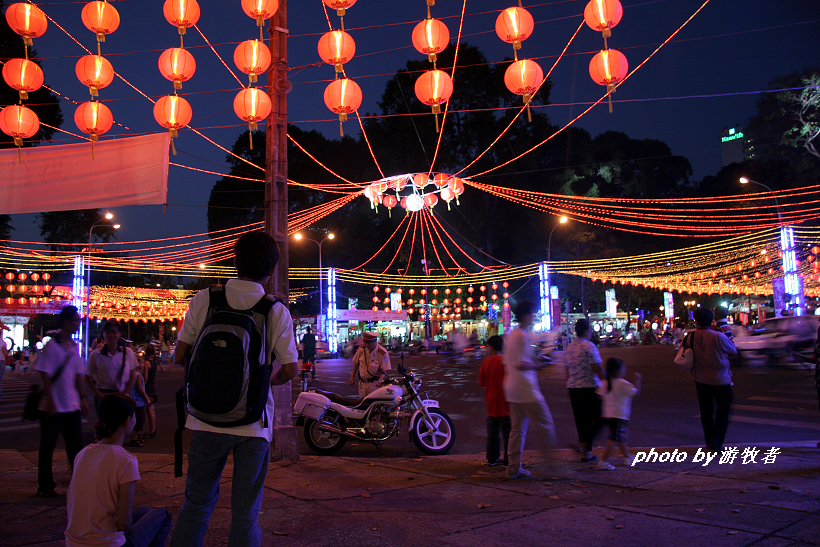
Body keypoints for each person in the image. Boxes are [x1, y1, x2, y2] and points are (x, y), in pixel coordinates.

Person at [170, 231, 298, 547]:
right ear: (272, 271)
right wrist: (261, 381)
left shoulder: (205, 299)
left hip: (204, 419)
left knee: (196, 505)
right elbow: (291, 369)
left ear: (234, 261)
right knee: (245, 515)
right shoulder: (275, 310)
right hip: (253, 424)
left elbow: (180, 355)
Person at [66, 393, 171, 547]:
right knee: (163, 515)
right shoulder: (125, 460)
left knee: (146, 511)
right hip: (106, 544)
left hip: (74, 542)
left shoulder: (83, 453)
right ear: (128, 421)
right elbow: (123, 524)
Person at [36, 306, 88, 497]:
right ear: (66, 322)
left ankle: (79, 482)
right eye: (75, 320)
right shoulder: (52, 346)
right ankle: (45, 485)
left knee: (75, 446)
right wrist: (51, 402)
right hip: (53, 408)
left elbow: (78, 376)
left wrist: (82, 398)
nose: (78, 323)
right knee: (47, 447)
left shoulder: (74, 347)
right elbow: (45, 376)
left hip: (71, 405)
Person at [503, 300, 556, 480]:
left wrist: (538, 360)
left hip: (512, 388)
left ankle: (513, 468)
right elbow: (519, 363)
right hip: (526, 389)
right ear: (526, 315)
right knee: (546, 426)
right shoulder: (521, 335)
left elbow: (510, 361)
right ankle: (552, 466)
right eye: (533, 312)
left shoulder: (512, 335)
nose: (534, 316)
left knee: (517, 430)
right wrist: (539, 366)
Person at [690, 307, 737, 453]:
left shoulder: (690, 336)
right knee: (723, 411)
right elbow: (733, 351)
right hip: (721, 379)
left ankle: (709, 441)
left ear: (695, 320)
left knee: (706, 412)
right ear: (711, 319)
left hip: (701, 379)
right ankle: (716, 442)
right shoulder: (718, 336)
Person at [565, 318, 606, 463]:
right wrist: (607, 383)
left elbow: (567, 369)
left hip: (573, 388)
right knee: (602, 417)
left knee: (581, 421)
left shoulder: (570, 347)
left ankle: (586, 453)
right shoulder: (589, 346)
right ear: (587, 331)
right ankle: (584, 443)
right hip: (589, 387)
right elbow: (598, 368)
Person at [596, 358, 641, 469]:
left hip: (608, 414)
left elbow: (600, 396)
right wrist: (638, 380)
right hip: (620, 415)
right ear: (618, 370)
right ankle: (603, 461)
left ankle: (627, 457)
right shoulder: (622, 383)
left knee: (619, 437)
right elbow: (635, 393)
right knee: (613, 438)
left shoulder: (605, 382)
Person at [86, 320, 140, 413]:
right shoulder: (96, 354)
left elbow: (132, 375)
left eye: (114, 332)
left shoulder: (127, 353)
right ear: (103, 334)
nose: (111, 335)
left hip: (122, 397)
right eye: (108, 332)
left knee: (123, 425)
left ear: (119, 334)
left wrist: (125, 393)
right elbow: (86, 376)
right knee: (105, 425)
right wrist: (98, 393)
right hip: (104, 397)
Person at [478, 335, 509, 467]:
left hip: (491, 404)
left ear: (491, 347)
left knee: (492, 434)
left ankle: (492, 458)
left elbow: (481, 382)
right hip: (506, 403)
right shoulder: (506, 362)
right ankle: (509, 459)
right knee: (508, 434)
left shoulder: (486, 362)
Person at [349, 331, 391, 397]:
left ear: (375, 341)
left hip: (374, 384)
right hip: (362, 384)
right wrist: (352, 376)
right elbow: (356, 363)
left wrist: (380, 380)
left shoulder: (382, 352)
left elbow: (384, 369)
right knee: (363, 404)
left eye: (369, 343)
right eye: (365, 342)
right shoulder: (362, 349)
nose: (366, 345)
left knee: (374, 404)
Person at [128, 370, 151, 448]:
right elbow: (140, 388)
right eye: (141, 363)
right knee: (140, 420)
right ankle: (134, 438)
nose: (143, 365)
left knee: (133, 419)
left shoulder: (128, 374)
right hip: (138, 401)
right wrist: (147, 398)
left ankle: (134, 436)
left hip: (130, 399)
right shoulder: (138, 375)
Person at [141, 345, 158, 439]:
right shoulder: (155, 362)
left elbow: (146, 377)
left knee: (148, 410)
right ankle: (153, 429)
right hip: (153, 386)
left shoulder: (147, 363)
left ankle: (152, 430)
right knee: (152, 410)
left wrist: (142, 385)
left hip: (148, 387)